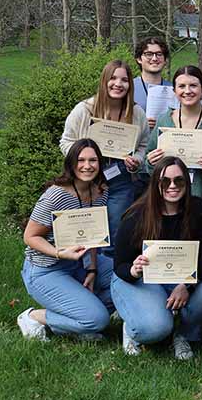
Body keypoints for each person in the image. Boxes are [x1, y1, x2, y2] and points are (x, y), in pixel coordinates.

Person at [111, 157, 202, 360]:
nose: (172, 186)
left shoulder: (199, 209)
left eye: (179, 181)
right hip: (141, 280)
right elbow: (119, 264)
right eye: (165, 181)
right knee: (155, 329)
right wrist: (133, 270)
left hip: (182, 279)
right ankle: (133, 326)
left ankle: (183, 334)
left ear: (187, 183)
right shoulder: (136, 215)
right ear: (156, 183)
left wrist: (187, 285)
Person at [18, 139, 113, 341]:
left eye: (93, 160)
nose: (87, 166)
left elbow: (93, 236)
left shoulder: (100, 191)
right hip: (47, 269)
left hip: (79, 264)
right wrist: (60, 253)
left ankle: (78, 320)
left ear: (100, 162)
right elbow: (30, 236)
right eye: (81, 160)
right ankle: (34, 317)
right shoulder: (56, 196)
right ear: (71, 163)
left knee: (124, 278)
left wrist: (92, 269)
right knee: (98, 321)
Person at [61, 60, 149, 256]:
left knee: (116, 231)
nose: (118, 84)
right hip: (87, 179)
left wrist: (137, 161)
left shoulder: (136, 113)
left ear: (130, 84)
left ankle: (109, 277)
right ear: (104, 81)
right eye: (113, 78)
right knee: (86, 231)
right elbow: (66, 141)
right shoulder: (84, 109)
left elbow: (144, 145)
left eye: (124, 80)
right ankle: (85, 274)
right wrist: (82, 159)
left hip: (120, 178)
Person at [145, 65, 202, 201]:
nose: (187, 91)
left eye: (193, 85)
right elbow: (148, 158)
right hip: (168, 198)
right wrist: (151, 161)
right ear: (174, 91)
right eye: (182, 86)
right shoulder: (164, 120)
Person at [132, 36, 173, 126]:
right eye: (149, 54)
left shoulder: (174, 89)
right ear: (139, 59)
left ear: (165, 60)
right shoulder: (129, 87)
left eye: (159, 54)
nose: (154, 58)